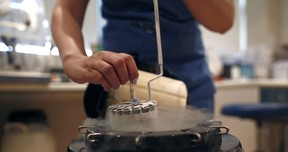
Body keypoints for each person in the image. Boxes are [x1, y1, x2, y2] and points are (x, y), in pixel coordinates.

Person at [51, 0, 235, 118]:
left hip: (190, 88)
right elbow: (67, 8)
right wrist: (72, 57)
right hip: (117, 87)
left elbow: (223, 20)